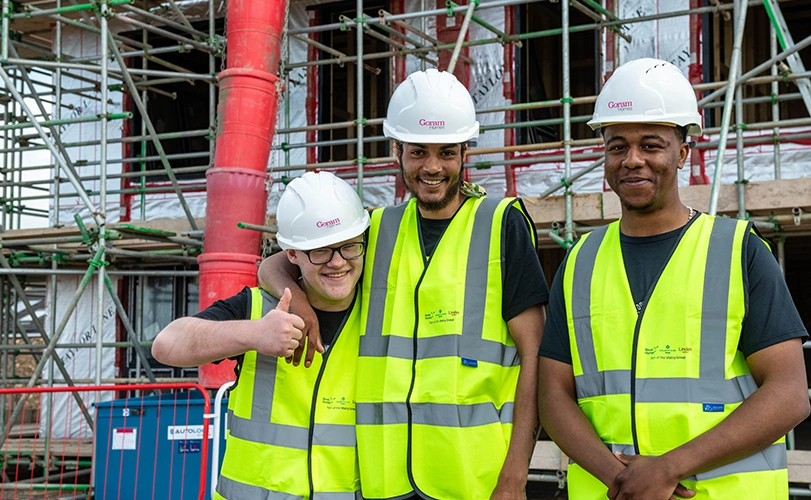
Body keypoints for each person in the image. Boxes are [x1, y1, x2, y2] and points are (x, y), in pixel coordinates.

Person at [259, 69, 550, 500]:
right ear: (397, 149)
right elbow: (277, 263)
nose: (432, 167)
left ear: (464, 151)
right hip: (385, 481)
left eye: (446, 152)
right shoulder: (376, 229)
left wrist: (514, 477)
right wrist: (298, 298)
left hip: (476, 481)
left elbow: (535, 358)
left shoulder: (500, 224)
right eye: (418, 152)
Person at [537, 58, 810, 500]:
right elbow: (552, 394)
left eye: (651, 145)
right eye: (616, 146)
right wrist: (618, 477)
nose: (633, 160)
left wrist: (668, 469)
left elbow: (789, 394)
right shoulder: (580, 260)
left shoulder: (738, 251)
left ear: (684, 151)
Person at [152, 171, 369, 499]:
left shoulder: (382, 313)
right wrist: (254, 333)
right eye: (320, 251)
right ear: (293, 254)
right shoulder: (257, 307)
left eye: (349, 247)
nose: (337, 262)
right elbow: (166, 345)